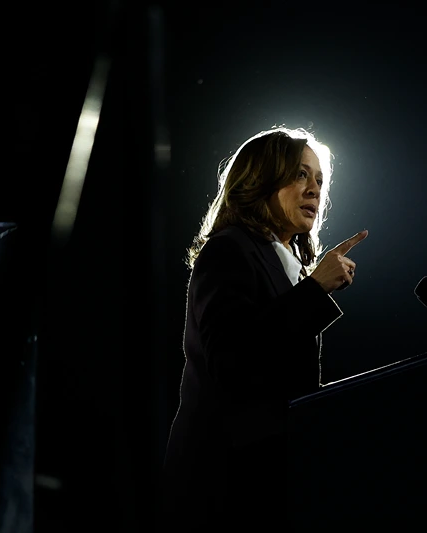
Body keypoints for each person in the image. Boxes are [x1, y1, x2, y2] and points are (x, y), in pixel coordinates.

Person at [161, 126, 368, 532]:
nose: (314, 189)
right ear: (259, 181)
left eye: (320, 180)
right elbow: (233, 360)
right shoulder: (229, 249)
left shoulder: (286, 264)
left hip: (271, 481)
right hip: (225, 488)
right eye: (299, 174)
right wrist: (313, 290)